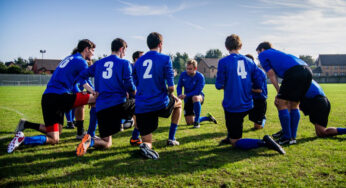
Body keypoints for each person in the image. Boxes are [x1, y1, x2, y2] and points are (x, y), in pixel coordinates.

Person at [8, 39, 97, 153]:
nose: (93, 54)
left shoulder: (69, 59)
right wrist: (93, 93)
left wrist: (84, 97)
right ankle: (88, 134)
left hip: (47, 98)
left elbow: (74, 85)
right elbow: (85, 81)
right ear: (86, 49)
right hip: (59, 97)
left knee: (54, 138)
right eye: (93, 50)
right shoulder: (81, 61)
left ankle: (23, 139)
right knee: (96, 98)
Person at [215, 34, 285, 155]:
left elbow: (219, 85)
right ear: (240, 46)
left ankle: (264, 142)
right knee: (232, 115)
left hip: (234, 105)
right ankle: (230, 136)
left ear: (226, 47)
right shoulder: (250, 62)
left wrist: (228, 83)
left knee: (235, 142)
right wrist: (256, 87)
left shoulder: (223, 62)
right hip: (248, 103)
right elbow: (261, 75)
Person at [75, 38, 136, 156]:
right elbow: (130, 85)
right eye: (125, 51)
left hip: (102, 108)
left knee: (107, 142)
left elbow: (81, 77)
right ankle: (139, 138)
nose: (125, 54)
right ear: (121, 49)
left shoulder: (99, 63)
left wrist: (91, 90)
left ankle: (89, 141)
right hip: (119, 105)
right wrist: (135, 93)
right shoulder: (124, 63)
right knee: (142, 106)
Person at [133, 32, 182, 159]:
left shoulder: (138, 62)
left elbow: (135, 84)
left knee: (148, 141)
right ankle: (171, 138)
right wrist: (170, 94)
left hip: (142, 106)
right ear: (160, 44)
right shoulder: (165, 59)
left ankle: (145, 147)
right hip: (160, 103)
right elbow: (171, 87)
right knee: (179, 104)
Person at [256, 42, 312, 145]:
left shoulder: (263, 54)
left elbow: (271, 74)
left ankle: (286, 137)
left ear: (262, 49)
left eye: (258, 52)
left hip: (294, 72)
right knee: (294, 104)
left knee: (280, 103)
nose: (258, 56)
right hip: (308, 71)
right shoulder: (278, 53)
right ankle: (292, 137)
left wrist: (279, 91)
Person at [273, 80, 346, 138]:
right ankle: (286, 129)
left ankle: (286, 130)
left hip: (317, 102)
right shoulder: (303, 74)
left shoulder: (294, 77)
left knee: (282, 103)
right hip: (322, 101)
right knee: (321, 133)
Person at [177, 59, 217, 128]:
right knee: (189, 122)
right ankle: (207, 118)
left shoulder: (200, 77)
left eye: (190, 69)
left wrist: (186, 95)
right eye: (187, 68)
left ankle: (197, 122)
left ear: (195, 68)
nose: (188, 70)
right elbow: (179, 86)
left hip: (199, 97)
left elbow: (197, 91)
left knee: (195, 97)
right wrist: (179, 94)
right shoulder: (183, 74)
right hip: (187, 99)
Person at [245, 54, 267, 130]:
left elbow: (259, 90)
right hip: (251, 99)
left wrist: (245, 88)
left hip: (260, 99)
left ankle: (263, 119)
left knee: (257, 127)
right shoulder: (247, 72)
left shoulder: (259, 73)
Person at [129, 51, 144, 146]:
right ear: (136, 59)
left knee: (141, 118)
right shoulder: (129, 67)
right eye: (142, 57)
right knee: (140, 118)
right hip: (131, 97)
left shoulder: (142, 69)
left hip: (140, 97)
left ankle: (135, 138)